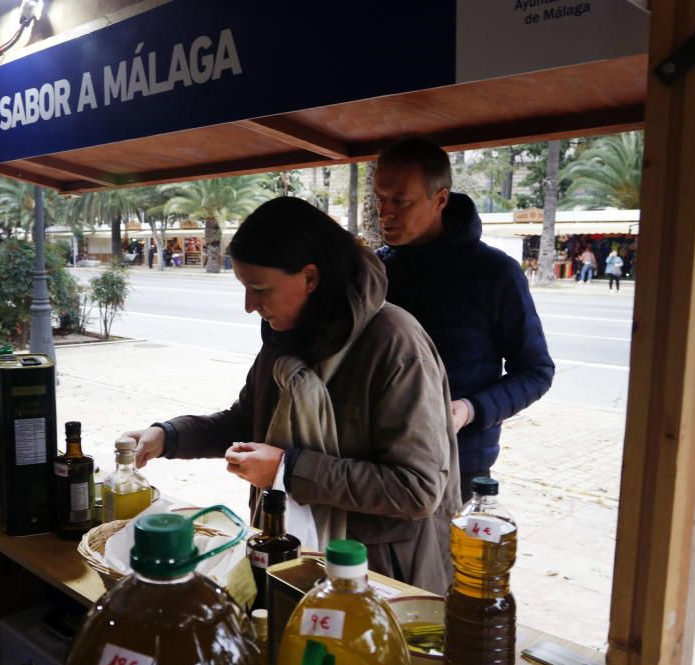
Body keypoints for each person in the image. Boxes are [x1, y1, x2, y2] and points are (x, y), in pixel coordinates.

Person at [125, 196, 461, 595]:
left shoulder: (396, 345)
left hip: (378, 573)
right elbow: (246, 421)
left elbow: (416, 488)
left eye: (259, 289)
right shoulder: (285, 338)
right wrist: (168, 436)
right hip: (293, 554)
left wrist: (288, 471)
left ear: (310, 278)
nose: (249, 306)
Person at [374, 138, 554, 502]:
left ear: (440, 199)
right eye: (380, 198)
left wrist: (469, 410)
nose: (385, 212)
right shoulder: (375, 270)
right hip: (374, 456)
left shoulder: (495, 273)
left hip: (458, 462)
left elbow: (536, 372)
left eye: (401, 201)